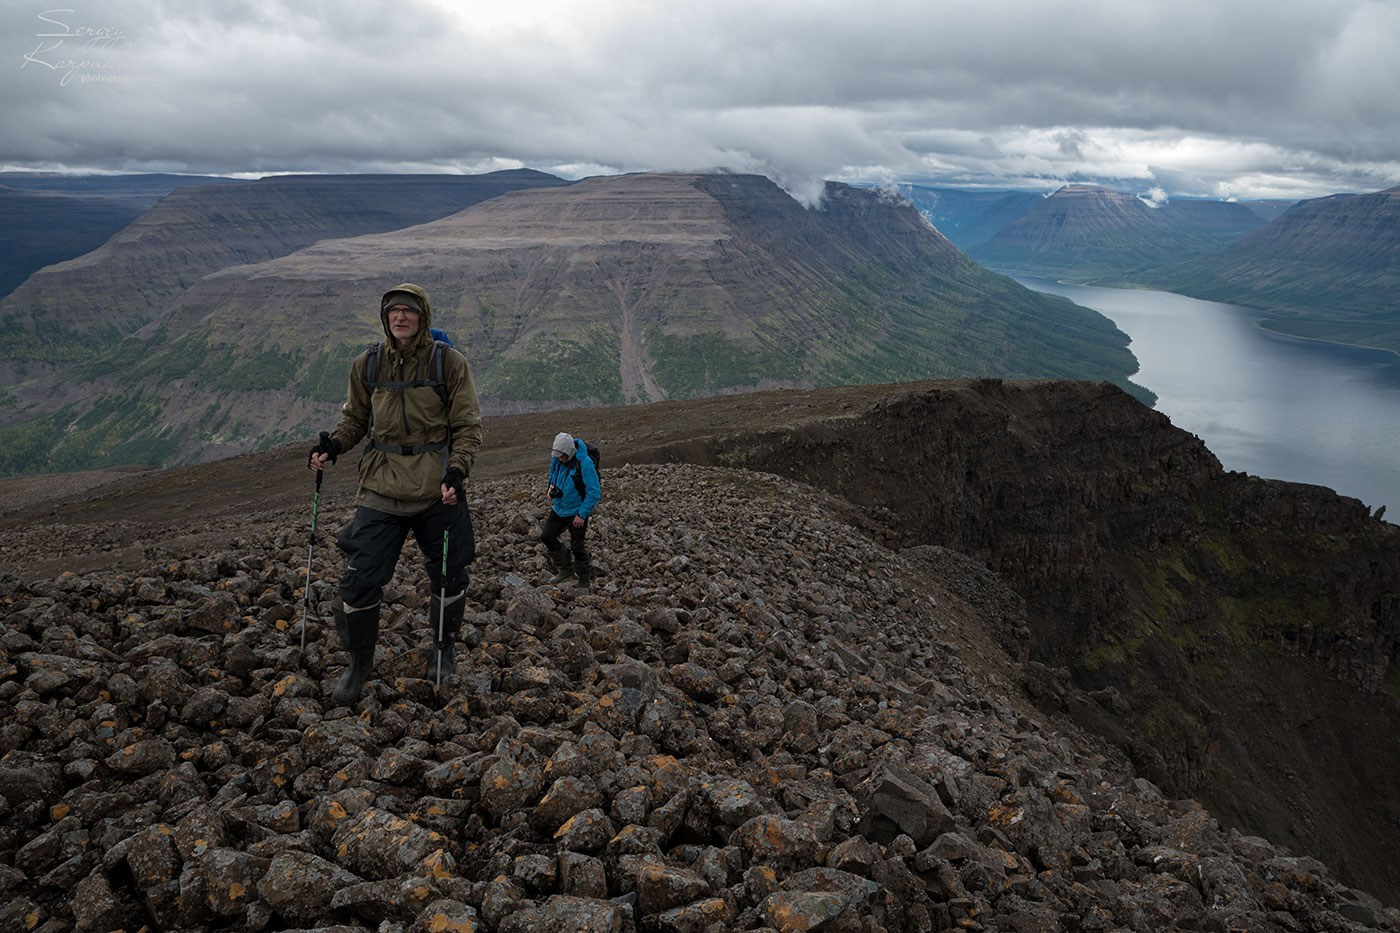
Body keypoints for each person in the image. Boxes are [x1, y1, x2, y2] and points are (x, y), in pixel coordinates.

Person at [308, 283, 482, 706]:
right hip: (381, 485)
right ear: (386, 318)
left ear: (422, 316)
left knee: (450, 572)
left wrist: (457, 471)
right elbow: (355, 420)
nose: (400, 317)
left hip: (435, 486)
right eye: (393, 312)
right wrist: (332, 445)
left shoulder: (449, 364)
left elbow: (467, 427)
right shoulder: (368, 365)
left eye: (408, 311)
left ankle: (443, 651)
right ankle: (358, 664)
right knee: (360, 579)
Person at [540, 432, 600, 588]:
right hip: (559, 508)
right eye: (557, 455)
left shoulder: (585, 463)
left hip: (577, 511)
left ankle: (584, 580)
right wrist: (550, 487)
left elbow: (594, 492)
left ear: (570, 452)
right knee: (547, 536)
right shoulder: (557, 458)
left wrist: (582, 514)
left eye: (562, 456)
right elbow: (552, 473)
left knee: (577, 546)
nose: (559, 459)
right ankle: (565, 569)